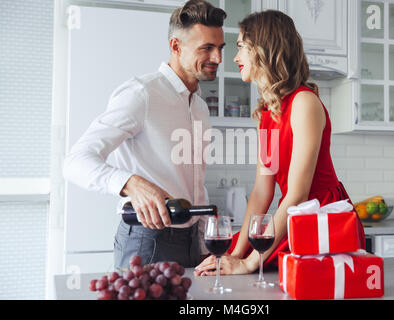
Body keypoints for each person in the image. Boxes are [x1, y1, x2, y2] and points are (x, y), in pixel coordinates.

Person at [194, 10, 366, 276]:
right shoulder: (268, 113)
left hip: (322, 218)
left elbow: (298, 193)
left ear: (264, 48)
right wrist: (235, 255)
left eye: (241, 47)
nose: (236, 57)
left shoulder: (304, 103)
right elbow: (263, 192)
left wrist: (251, 262)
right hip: (297, 214)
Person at [63, 0, 227, 269]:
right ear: (176, 46)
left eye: (220, 48)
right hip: (147, 241)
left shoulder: (198, 106)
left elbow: (194, 182)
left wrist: (200, 243)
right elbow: (75, 162)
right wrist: (130, 183)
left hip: (189, 242)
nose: (217, 58)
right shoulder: (142, 94)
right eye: (206, 48)